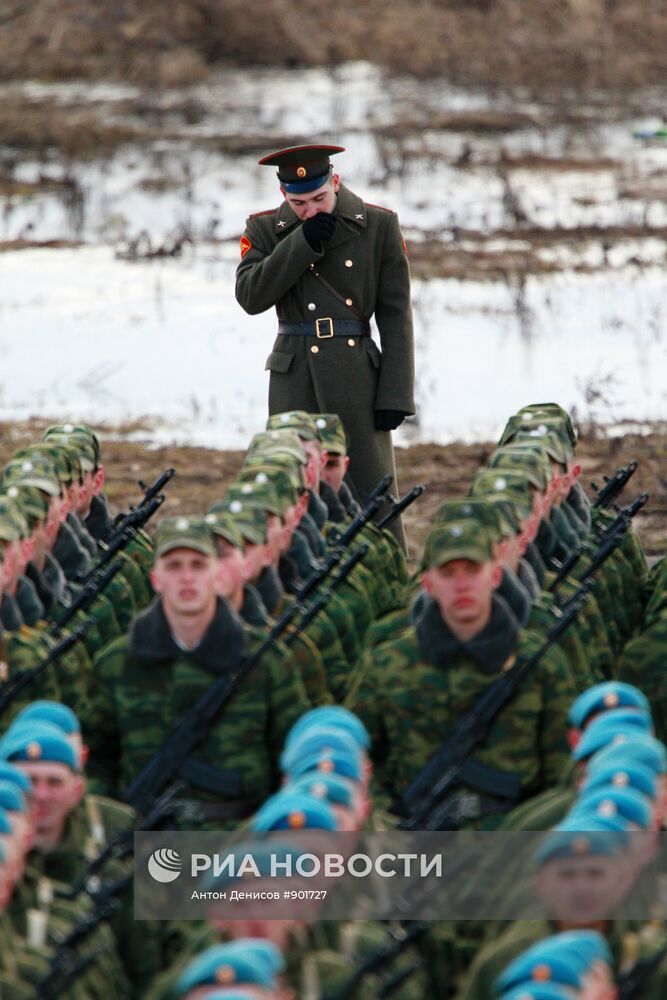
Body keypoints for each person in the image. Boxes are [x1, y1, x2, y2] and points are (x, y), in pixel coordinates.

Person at [235, 144, 415, 548]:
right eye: (299, 202)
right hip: (293, 374)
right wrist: (300, 244)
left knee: (372, 492)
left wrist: (396, 394)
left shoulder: (378, 225)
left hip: (356, 375)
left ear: (335, 182)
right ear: (284, 195)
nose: (310, 209)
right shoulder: (263, 229)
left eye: (319, 198)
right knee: (291, 486)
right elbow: (250, 298)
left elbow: (395, 315)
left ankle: (387, 577)